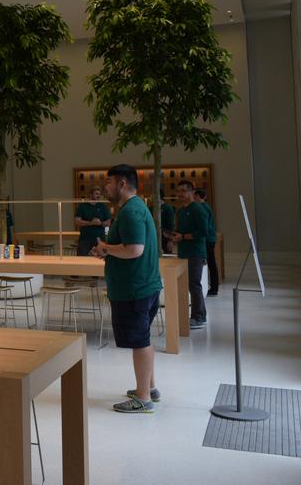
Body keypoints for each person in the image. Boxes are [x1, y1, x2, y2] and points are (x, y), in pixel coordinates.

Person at [93, 164, 163, 413]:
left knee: (140, 340)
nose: (106, 186)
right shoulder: (134, 208)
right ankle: (149, 387)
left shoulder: (131, 211)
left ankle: (143, 398)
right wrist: (109, 251)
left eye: (109, 182)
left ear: (122, 183)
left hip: (134, 289)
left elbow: (135, 250)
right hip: (143, 285)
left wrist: (106, 248)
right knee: (142, 337)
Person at [171, 180, 208, 328]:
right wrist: (174, 238)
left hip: (195, 252)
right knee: (188, 284)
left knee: (194, 284)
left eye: (183, 191)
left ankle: (197, 317)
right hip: (183, 252)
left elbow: (203, 231)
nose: (179, 194)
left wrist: (184, 237)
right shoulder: (180, 211)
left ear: (192, 192)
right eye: (178, 191)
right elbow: (180, 231)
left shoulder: (198, 209)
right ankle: (201, 315)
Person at [194, 188, 219, 296]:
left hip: (208, 239)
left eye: (194, 195)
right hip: (210, 238)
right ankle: (213, 287)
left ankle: (214, 288)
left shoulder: (202, 208)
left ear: (199, 196)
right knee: (211, 263)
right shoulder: (205, 207)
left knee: (211, 264)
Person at [74, 185, 111, 255]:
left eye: (99, 194)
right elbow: (77, 221)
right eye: (96, 194)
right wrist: (90, 223)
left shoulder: (102, 206)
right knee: (81, 259)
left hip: (100, 239)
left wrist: (100, 223)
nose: (98, 196)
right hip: (85, 238)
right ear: (90, 194)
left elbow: (108, 222)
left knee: (101, 260)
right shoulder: (83, 206)